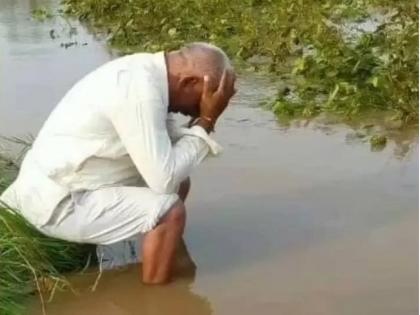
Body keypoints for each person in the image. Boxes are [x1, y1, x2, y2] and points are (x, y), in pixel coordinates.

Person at [0, 42, 236, 284]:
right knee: (169, 211)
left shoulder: (146, 73)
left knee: (180, 181)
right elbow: (163, 180)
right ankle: (156, 296)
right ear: (189, 83)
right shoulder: (139, 93)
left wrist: (203, 122)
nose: (200, 107)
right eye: (207, 97)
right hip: (57, 203)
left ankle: (163, 251)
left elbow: (170, 153)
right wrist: (206, 120)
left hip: (65, 181)